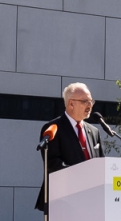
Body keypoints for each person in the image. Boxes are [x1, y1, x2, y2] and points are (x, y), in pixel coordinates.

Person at [34, 82, 106, 211]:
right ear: (71, 103)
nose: (90, 105)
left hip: (91, 200)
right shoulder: (53, 128)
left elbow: (100, 163)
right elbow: (53, 164)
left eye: (91, 101)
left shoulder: (94, 131)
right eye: (85, 101)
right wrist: (83, 178)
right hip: (62, 201)